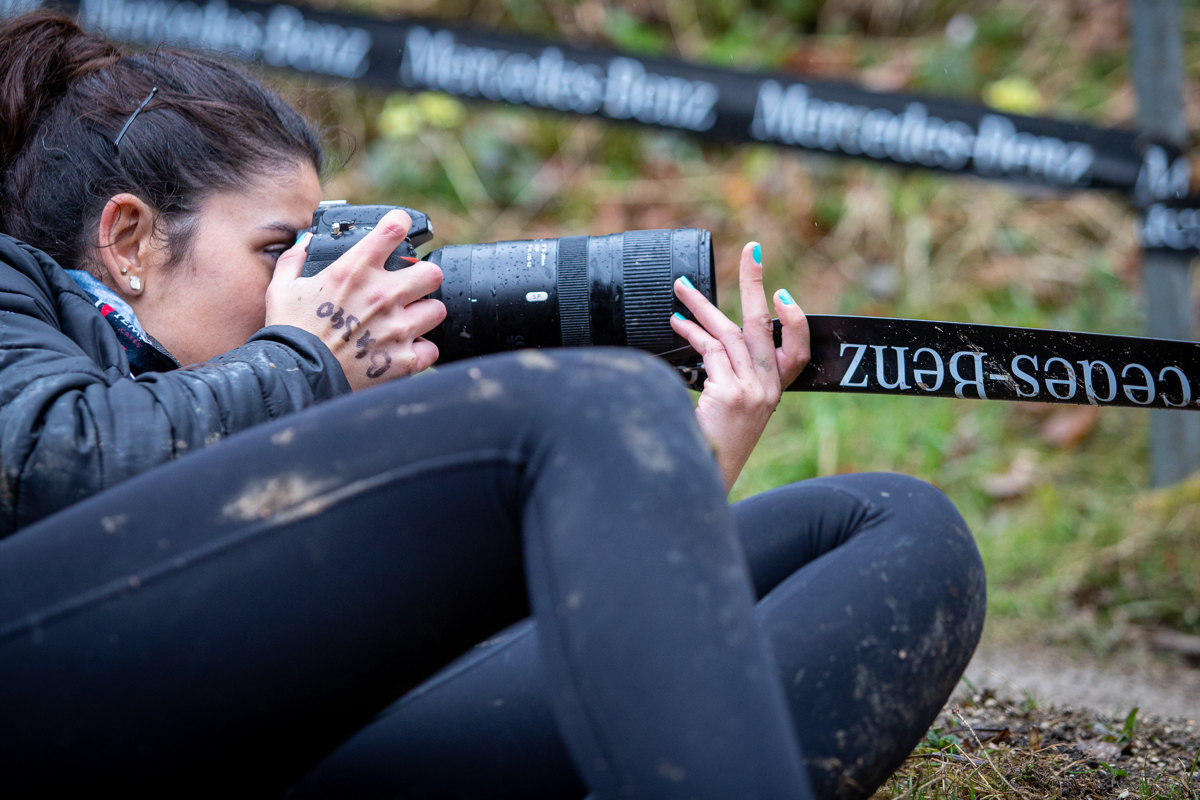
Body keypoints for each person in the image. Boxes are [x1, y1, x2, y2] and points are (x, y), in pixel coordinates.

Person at [0, 10, 986, 799]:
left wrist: (678, 462)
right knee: (588, 400)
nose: (322, 279)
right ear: (128, 239)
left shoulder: (267, 400)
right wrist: (307, 356)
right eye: (277, 251)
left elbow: (465, 658)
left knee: (894, 525)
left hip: (274, 750)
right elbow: (52, 465)